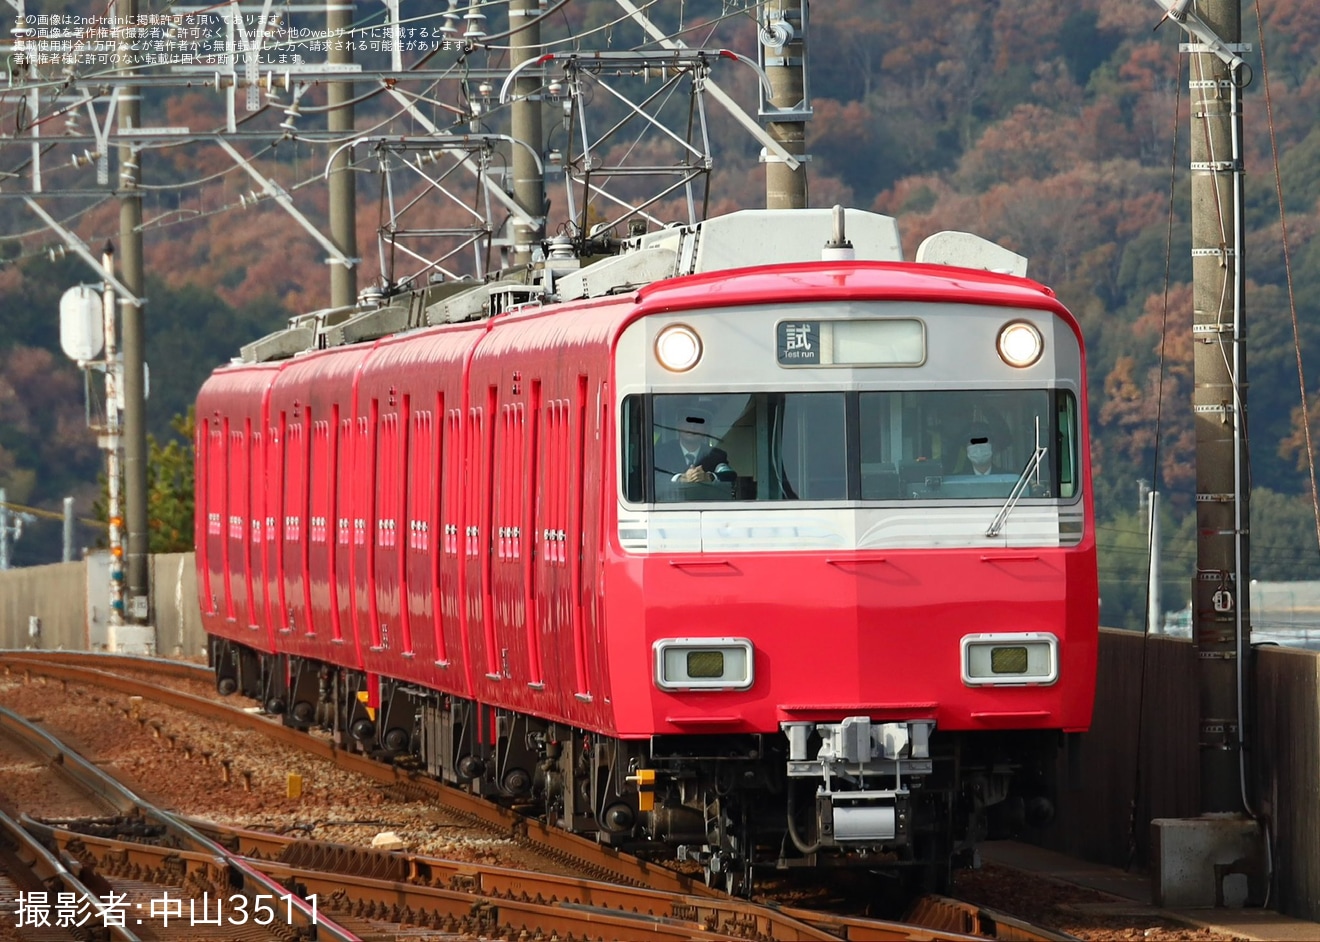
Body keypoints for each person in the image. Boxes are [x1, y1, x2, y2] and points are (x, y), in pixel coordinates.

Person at [655, 409, 737, 484]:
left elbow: (729, 475)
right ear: (678, 426)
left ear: (707, 429)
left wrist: (709, 477)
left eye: (699, 422)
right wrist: (680, 478)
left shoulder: (715, 455)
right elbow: (654, 476)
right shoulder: (662, 452)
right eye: (688, 421)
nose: (692, 426)